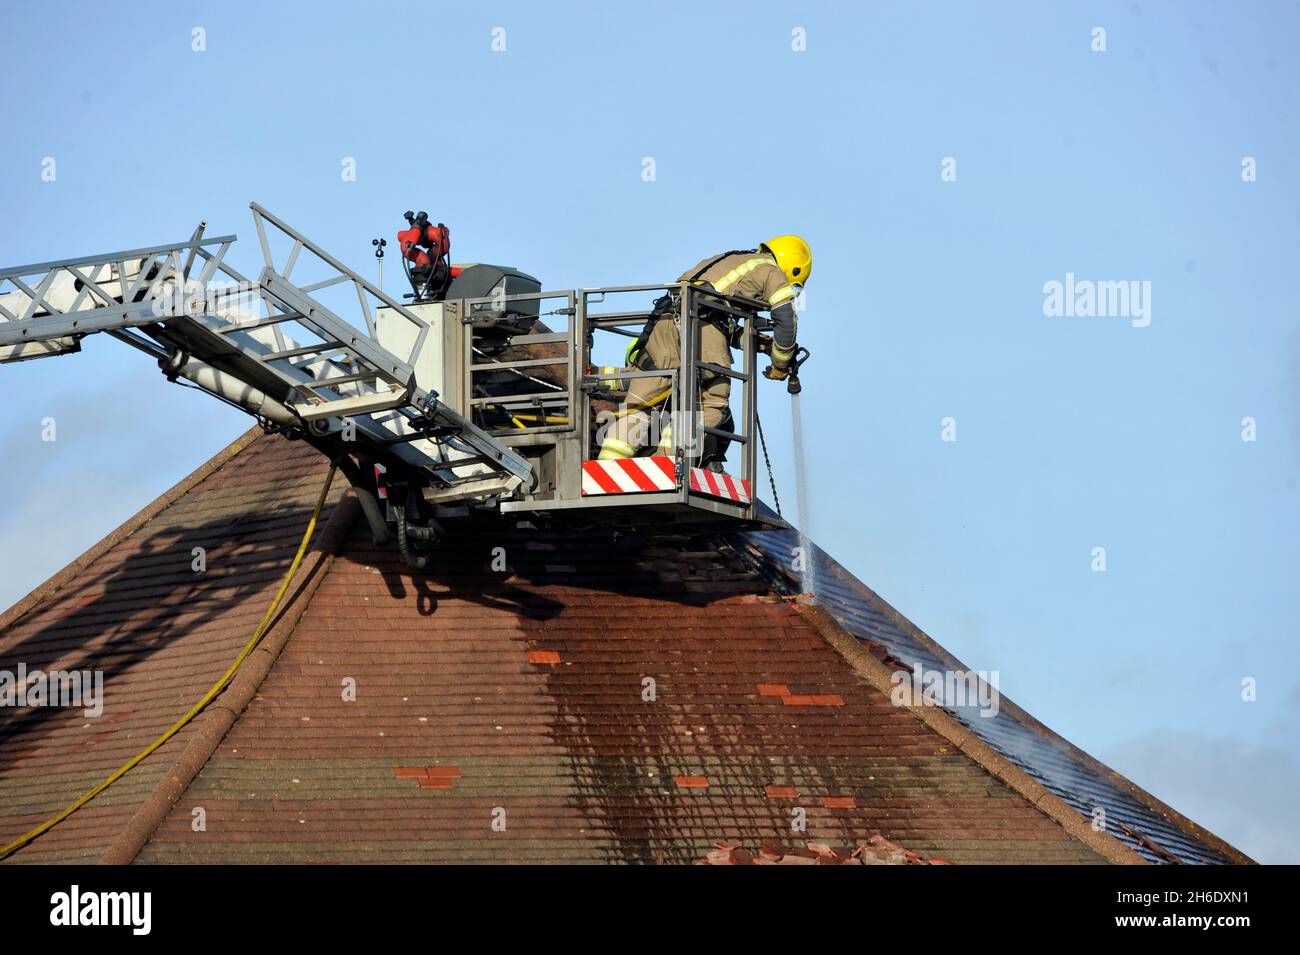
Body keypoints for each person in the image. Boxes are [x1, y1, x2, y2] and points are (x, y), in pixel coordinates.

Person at [597, 235, 811, 465]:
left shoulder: (732, 261)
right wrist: (780, 364)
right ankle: (666, 465)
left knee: (641, 404)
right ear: (793, 268)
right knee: (710, 404)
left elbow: (721, 322)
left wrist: (764, 346)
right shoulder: (771, 271)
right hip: (701, 320)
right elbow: (785, 318)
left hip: (665, 320)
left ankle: (606, 467)